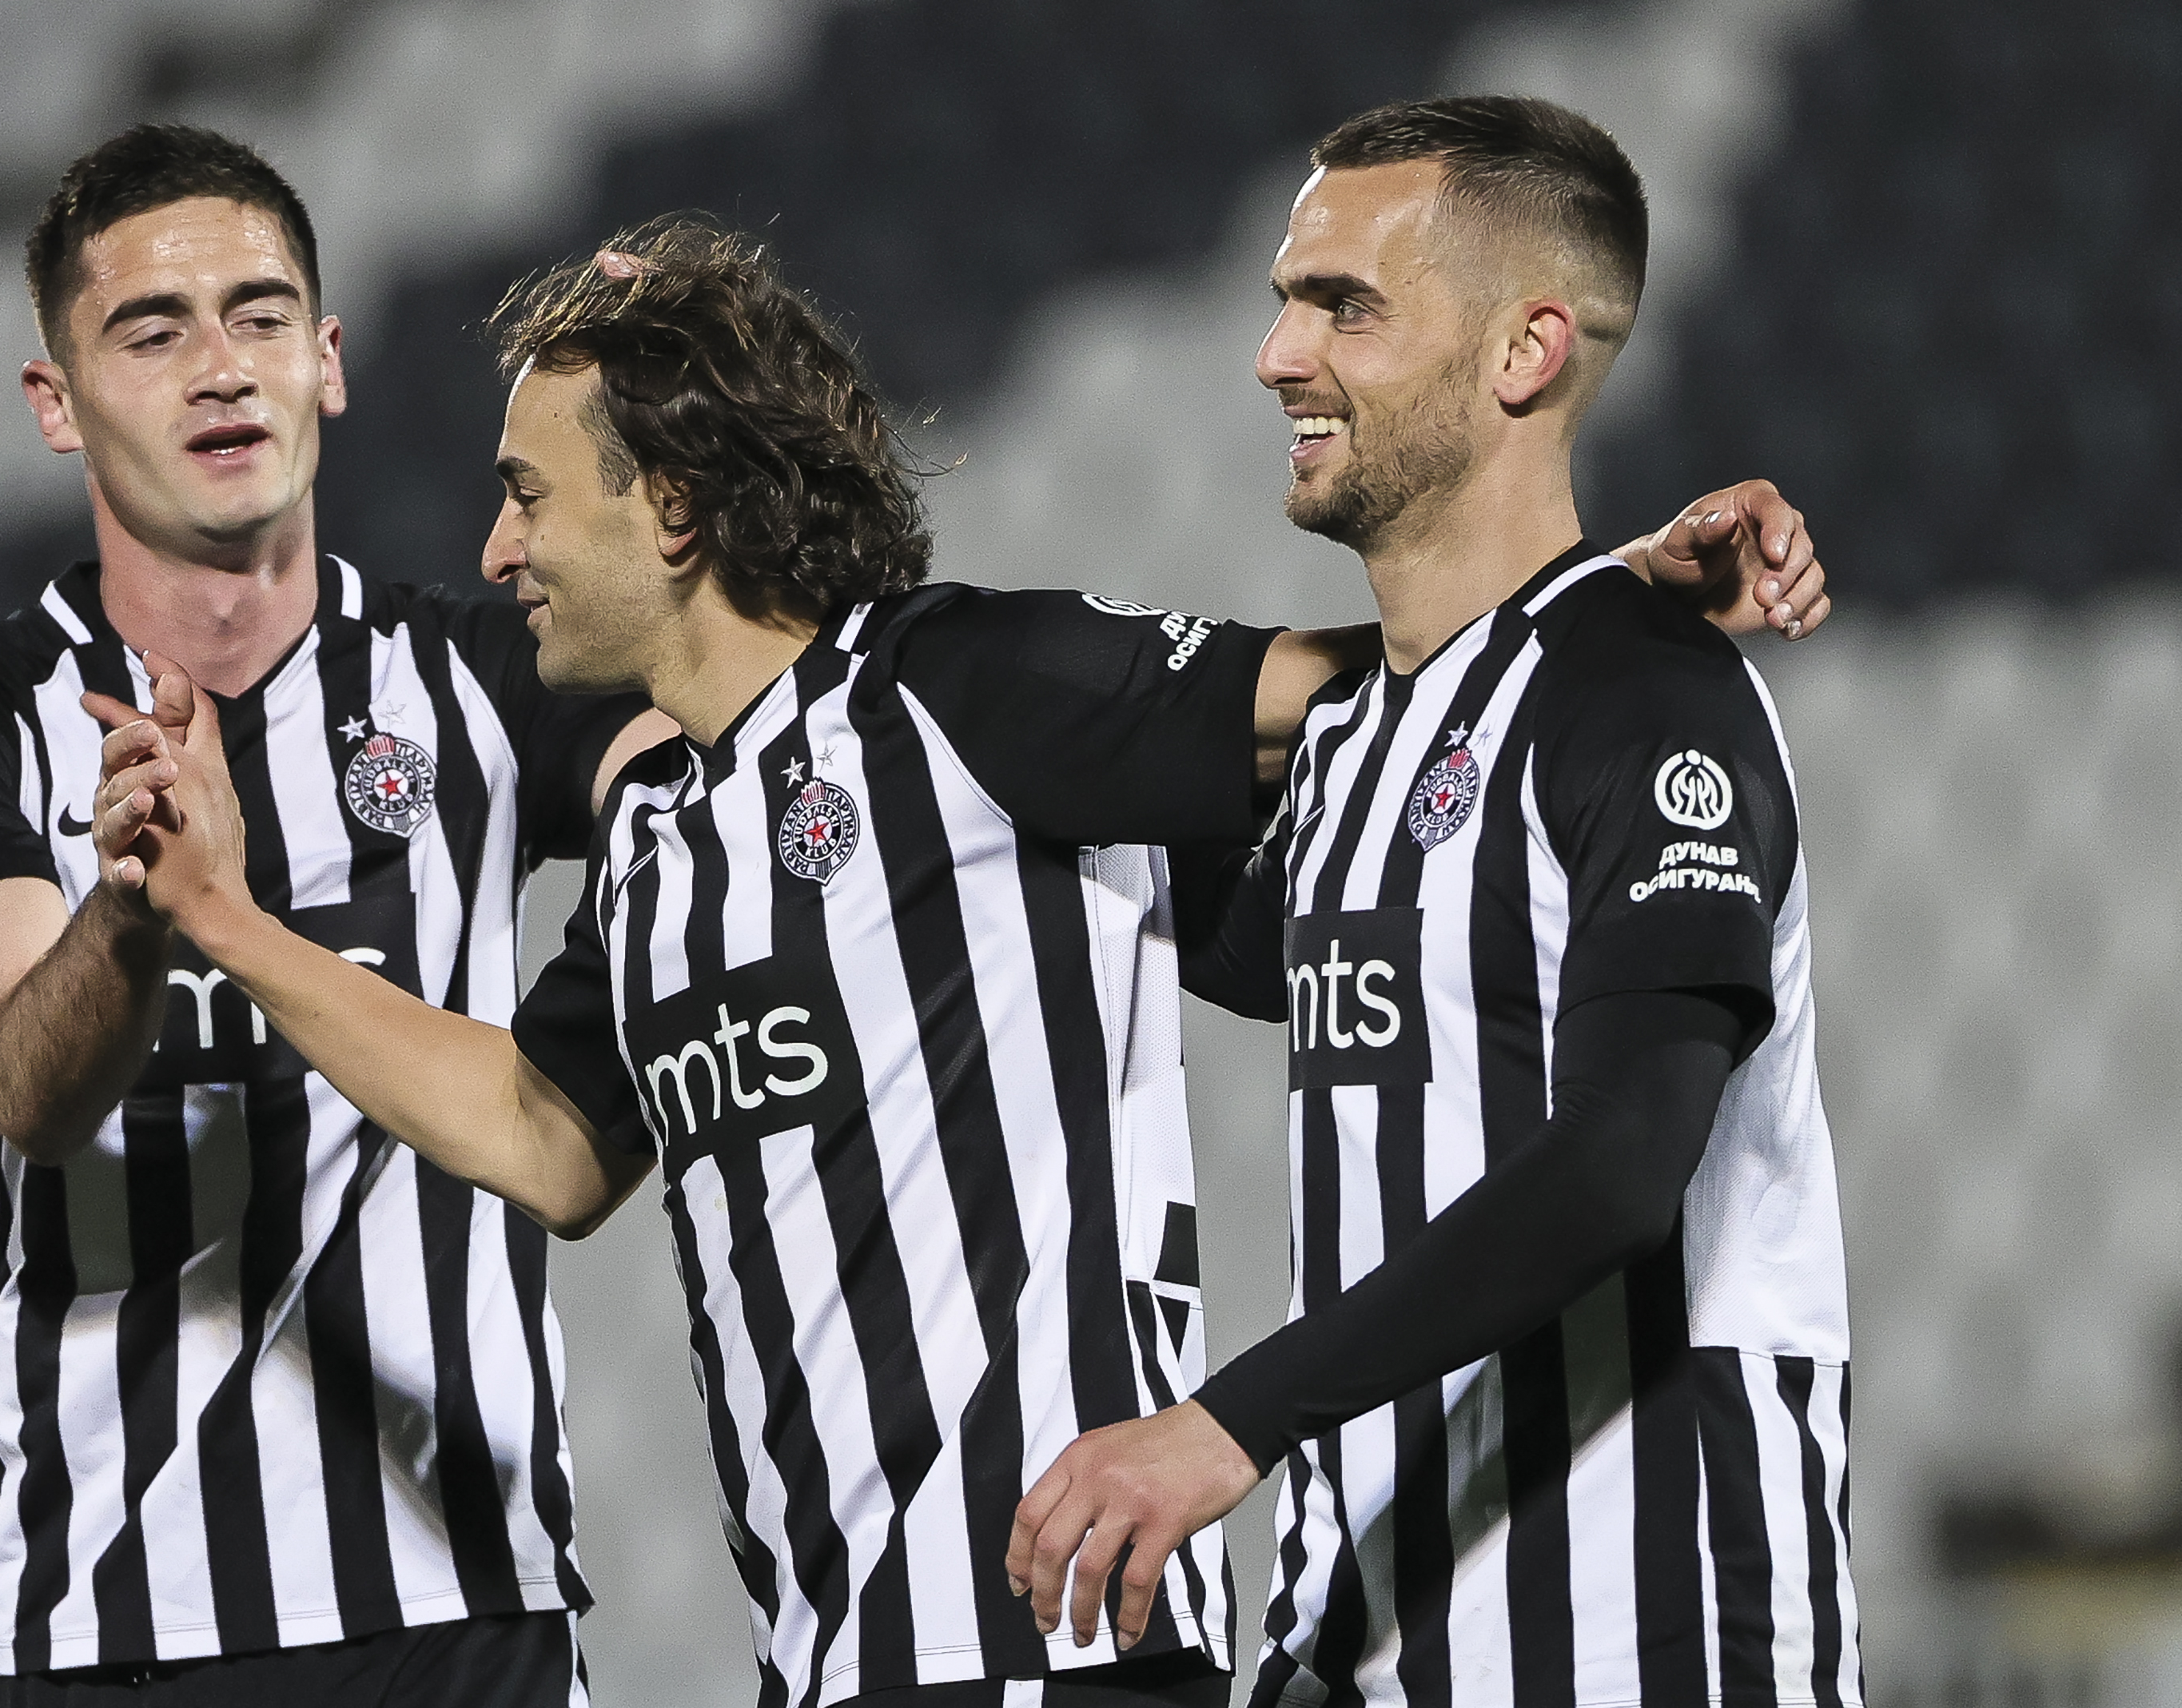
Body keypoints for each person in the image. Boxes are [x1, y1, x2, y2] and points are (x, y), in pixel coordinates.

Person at [88, 212, 1826, 1707]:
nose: (495, 552)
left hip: (1058, 1644)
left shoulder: (958, 691)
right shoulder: (652, 840)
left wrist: (1605, 592)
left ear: (674, 509)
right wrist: (233, 926)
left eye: (529, 496)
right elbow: (544, 1134)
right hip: (836, 1658)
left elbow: (1363, 679)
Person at [1005, 96, 1861, 1706]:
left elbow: (1620, 1159)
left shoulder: (1646, 694)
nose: (1275, 354)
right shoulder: (1354, 746)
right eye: (1283, 299)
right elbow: (1110, 861)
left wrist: (1226, 1421)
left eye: (1344, 304)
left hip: (1641, 1633)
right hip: (1372, 1639)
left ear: (1524, 352)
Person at [0, 125, 661, 1705]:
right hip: (119, 1624)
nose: (222, 367)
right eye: (151, 331)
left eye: (262, 314)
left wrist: (691, 436)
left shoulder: (491, 678)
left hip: (462, 1613)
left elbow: (728, 751)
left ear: (330, 362)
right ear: (55, 405)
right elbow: (27, 1084)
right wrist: (146, 912)